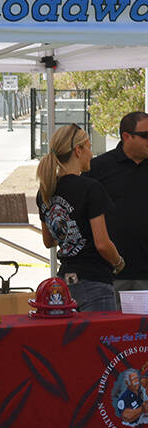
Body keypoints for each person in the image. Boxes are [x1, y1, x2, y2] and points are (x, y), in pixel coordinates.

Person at [36, 123, 123, 312]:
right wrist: (118, 262)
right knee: (99, 340)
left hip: (63, 283)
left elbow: (48, 241)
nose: (91, 154)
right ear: (78, 150)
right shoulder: (90, 188)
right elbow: (102, 243)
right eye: (89, 148)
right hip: (95, 281)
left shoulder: (45, 191)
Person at [87, 111, 148, 307]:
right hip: (111, 274)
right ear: (126, 136)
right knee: (113, 335)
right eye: (146, 135)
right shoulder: (98, 168)